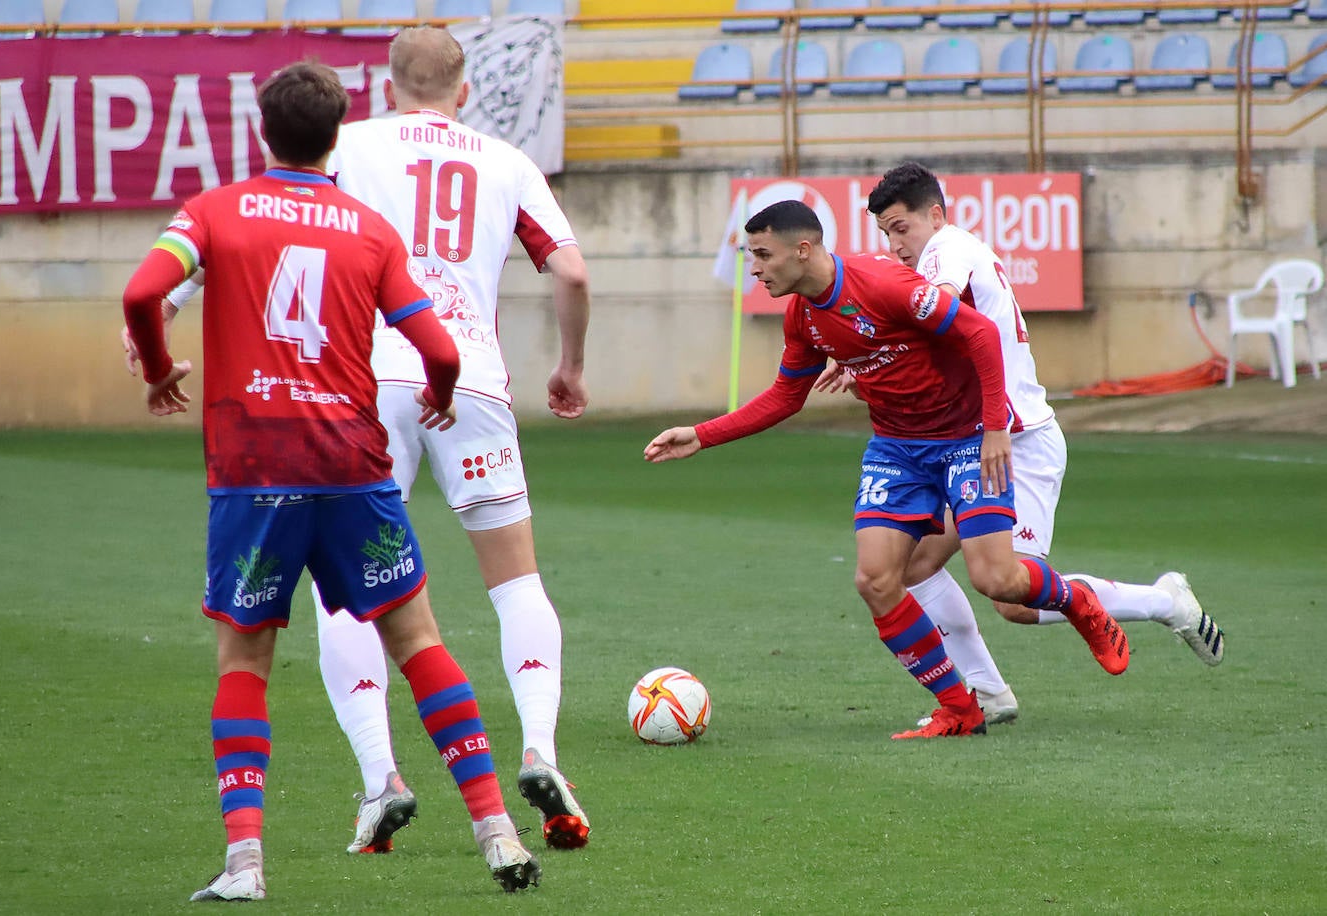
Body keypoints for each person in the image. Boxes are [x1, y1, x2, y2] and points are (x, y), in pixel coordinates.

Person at [120, 61, 540, 899]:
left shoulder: (213, 212)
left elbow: (143, 293)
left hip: (254, 472)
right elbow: (443, 348)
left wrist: (161, 370)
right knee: (418, 640)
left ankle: (245, 862)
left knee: (245, 660)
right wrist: (443, 396)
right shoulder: (369, 229)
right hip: (352, 468)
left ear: (262, 130)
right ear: (336, 135)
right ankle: (496, 832)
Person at [644, 199, 1132, 740]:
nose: (754, 267)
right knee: (876, 580)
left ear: (802, 250)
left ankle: (1076, 599)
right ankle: (960, 708)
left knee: (997, 579)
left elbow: (979, 334)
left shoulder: (883, 284)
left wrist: (996, 428)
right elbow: (786, 397)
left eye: (763, 254)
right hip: (897, 449)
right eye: (750, 255)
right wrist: (702, 434)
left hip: (966, 437)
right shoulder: (802, 317)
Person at [316, 25, 592, 853]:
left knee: (346, 588)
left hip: (369, 380)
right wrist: (570, 365)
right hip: (468, 374)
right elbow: (572, 271)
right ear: (464, 89)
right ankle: (541, 750)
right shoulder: (504, 160)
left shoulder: (346, 144)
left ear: (385, 82)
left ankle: (380, 778)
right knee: (515, 583)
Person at [829, 162, 1224, 725]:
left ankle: (1165, 601)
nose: (894, 246)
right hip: (968, 446)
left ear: (934, 216)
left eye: (900, 229)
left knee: (1011, 598)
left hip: (1018, 443)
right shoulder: (946, 253)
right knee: (912, 566)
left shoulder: (946, 250)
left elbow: (934, 320)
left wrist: (867, 354)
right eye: (886, 235)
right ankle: (988, 693)